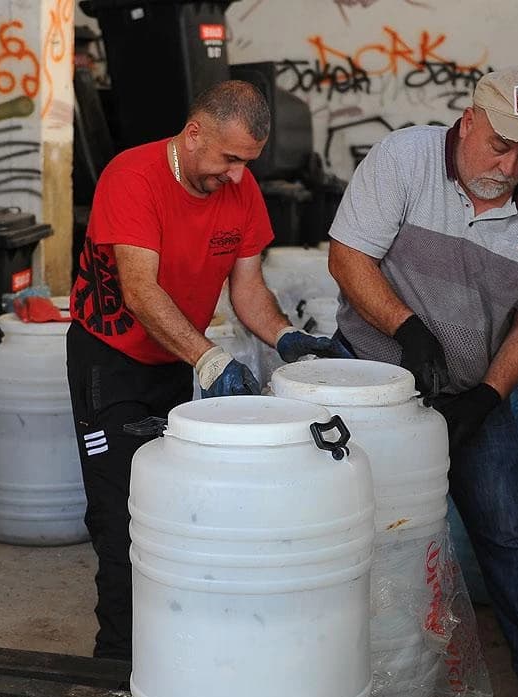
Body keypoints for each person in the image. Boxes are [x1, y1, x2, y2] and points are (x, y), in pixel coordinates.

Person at [327, 68, 518, 697]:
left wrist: (487, 396)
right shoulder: (404, 160)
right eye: (500, 145)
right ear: (469, 120)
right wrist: (406, 328)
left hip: (468, 391)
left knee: (508, 528)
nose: (509, 166)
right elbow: (348, 256)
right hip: (371, 380)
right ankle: (346, 688)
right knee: (359, 532)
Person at [68, 80, 351, 662]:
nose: (239, 176)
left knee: (173, 511)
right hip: (110, 363)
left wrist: (285, 336)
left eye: (248, 162)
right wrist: (210, 358)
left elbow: (248, 289)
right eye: (229, 159)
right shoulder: (132, 177)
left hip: (176, 358)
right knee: (121, 520)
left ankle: (173, 655)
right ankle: (116, 664)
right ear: (194, 133)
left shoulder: (240, 191)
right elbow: (140, 293)